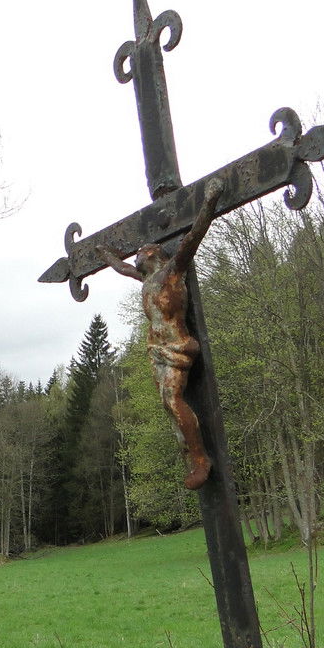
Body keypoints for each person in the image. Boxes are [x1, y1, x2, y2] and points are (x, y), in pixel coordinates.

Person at [98, 180, 222, 490]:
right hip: (156, 347)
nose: (137, 256)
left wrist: (209, 201)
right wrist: (100, 252)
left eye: (142, 252)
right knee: (167, 404)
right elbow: (119, 267)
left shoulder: (172, 272)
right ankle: (189, 456)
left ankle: (200, 459)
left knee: (171, 398)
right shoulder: (145, 280)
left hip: (177, 344)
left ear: (155, 254)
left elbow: (193, 236)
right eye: (137, 254)